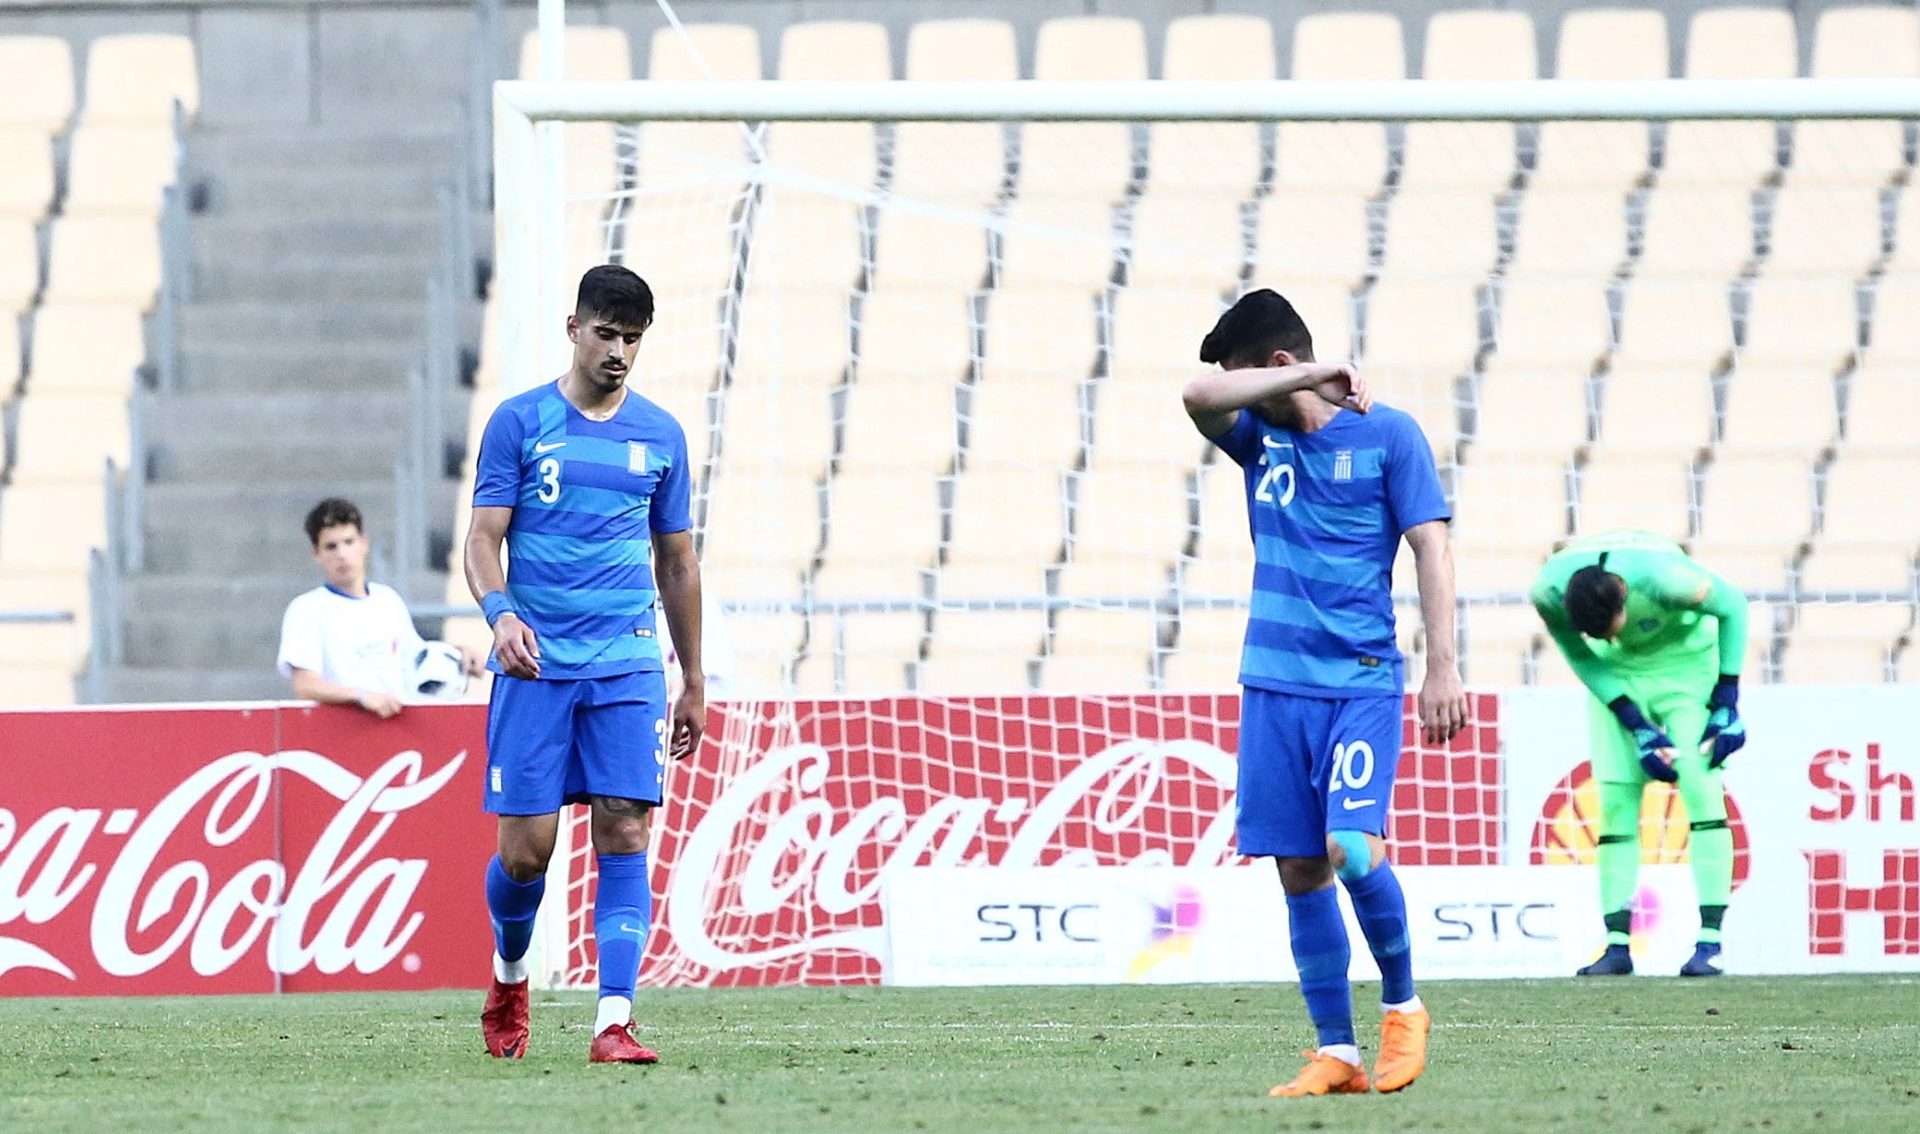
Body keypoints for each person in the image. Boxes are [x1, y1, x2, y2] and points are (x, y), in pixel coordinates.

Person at [1181, 289, 1468, 1098]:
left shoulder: (1389, 435)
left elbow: (1431, 548)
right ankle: (1336, 1052)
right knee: (1300, 869)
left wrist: (1442, 666)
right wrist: (1308, 376)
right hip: (1273, 686)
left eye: (1253, 376)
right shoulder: (1256, 436)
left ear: (1276, 364)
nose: (1243, 393)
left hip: (1360, 680)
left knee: (1351, 847)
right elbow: (1198, 394)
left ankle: (1404, 1007)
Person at [467, 264, 705, 1065]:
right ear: (574, 329)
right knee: (525, 854)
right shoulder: (519, 422)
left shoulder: (661, 435)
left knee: (626, 826)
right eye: (606, 334)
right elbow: (482, 540)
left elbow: (677, 562)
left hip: (627, 665)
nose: (619, 352)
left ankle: (614, 1021)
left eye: (633, 339)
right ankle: (510, 974)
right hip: (535, 665)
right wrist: (500, 614)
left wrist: (693, 678)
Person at [1530, 529, 1748, 978]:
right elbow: (1584, 657)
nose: (1608, 638)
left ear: (1624, 597)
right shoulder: (1547, 593)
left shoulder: (1669, 581)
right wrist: (1636, 724)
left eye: (1610, 629)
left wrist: (1727, 700)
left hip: (1687, 665)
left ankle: (1710, 944)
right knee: (1615, 802)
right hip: (1618, 675)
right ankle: (1616, 947)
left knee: (1701, 787)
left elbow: (1735, 606)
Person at [276, 497, 480, 717]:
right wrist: (361, 696)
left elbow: (414, 658)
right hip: (342, 729)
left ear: (364, 543)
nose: (342, 555)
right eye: (331, 547)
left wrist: (457, 655)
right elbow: (305, 685)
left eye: (348, 542)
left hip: (395, 726)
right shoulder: (307, 609)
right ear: (317, 553)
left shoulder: (387, 600)